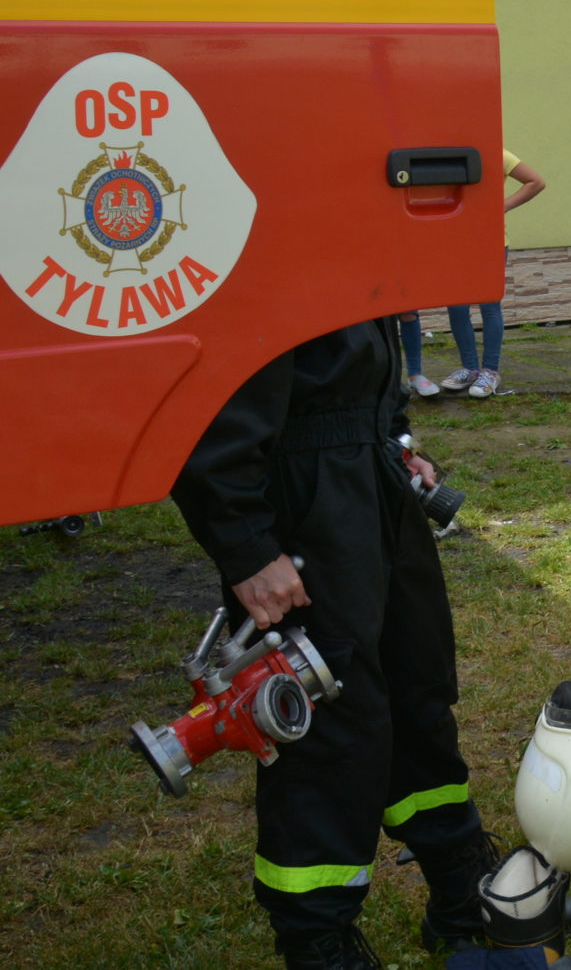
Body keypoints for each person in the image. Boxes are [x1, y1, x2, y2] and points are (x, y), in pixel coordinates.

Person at [171, 317, 495, 970]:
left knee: (417, 688)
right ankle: (316, 940)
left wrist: (395, 438)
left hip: (371, 476)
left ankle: (462, 886)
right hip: (301, 495)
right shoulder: (257, 255)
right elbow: (202, 400)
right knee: (322, 723)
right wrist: (245, 544)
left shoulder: (343, 255)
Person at [431, 150, 547, 399]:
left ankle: (490, 371)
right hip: (453, 241)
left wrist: (503, 205)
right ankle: (470, 369)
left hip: (490, 242)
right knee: (456, 307)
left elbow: (536, 182)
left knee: (489, 305)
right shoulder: (448, 153)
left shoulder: (497, 153)